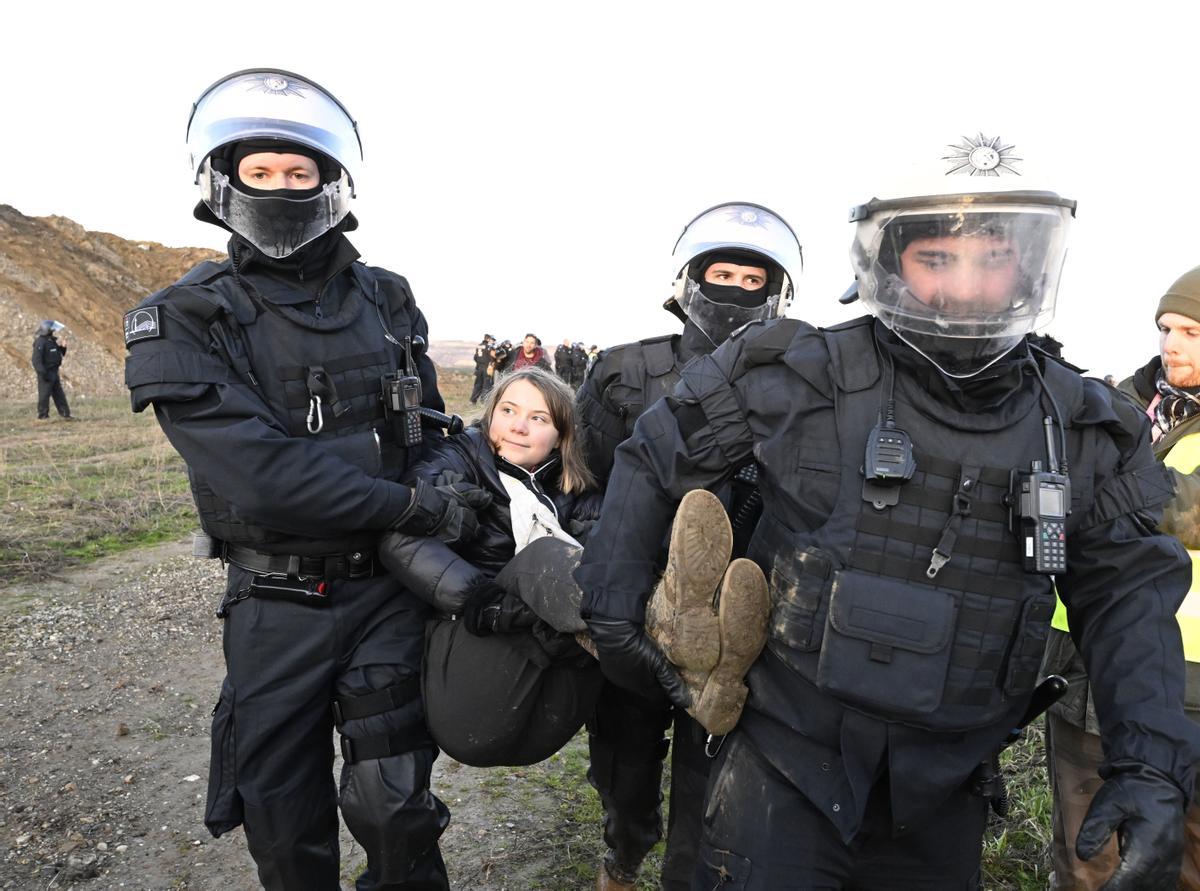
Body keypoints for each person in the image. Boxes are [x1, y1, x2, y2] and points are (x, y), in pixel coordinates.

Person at [575, 135, 1200, 890]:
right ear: (890, 262)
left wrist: (1151, 763)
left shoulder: (1082, 426)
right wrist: (611, 611)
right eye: (937, 259)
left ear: (1031, 266)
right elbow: (651, 455)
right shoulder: (794, 374)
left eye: (991, 258)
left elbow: (1128, 596)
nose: (966, 285)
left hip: (945, 785)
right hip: (784, 764)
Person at [122, 68, 479, 890]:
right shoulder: (183, 316)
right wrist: (411, 503)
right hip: (274, 605)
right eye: (260, 172)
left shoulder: (389, 298)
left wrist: (452, 484)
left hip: (385, 591)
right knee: (284, 824)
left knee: (398, 806)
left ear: (331, 180)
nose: (281, 188)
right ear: (224, 181)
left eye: (298, 171)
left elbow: (426, 422)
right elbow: (261, 474)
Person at [575, 202, 803, 891]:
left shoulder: (797, 387)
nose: (734, 291)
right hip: (634, 603)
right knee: (626, 766)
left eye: (751, 278)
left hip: (735, 624)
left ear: (775, 292)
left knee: (712, 790)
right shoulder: (622, 371)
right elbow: (586, 484)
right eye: (721, 273)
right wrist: (616, 583)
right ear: (689, 280)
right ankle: (623, 849)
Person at [1044, 265, 1200, 890]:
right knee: (1089, 856)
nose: (1172, 343)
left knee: (1187, 857)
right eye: (1166, 328)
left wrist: (1098, 464)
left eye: (1191, 330)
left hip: (1192, 680)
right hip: (1092, 667)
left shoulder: (1110, 418)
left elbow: (1185, 510)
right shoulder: (1126, 405)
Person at [379, 367, 605, 766]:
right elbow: (397, 538)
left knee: (606, 560)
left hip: (546, 716)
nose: (518, 427)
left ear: (561, 438)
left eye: (539, 419)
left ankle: (691, 667)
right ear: (490, 415)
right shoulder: (456, 461)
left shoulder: (578, 492)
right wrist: (483, 602)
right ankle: (657, 632)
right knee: (548, 555)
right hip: (473, 701)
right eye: (508, 411)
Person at [32, 320, 74, 420]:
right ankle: (43, 416)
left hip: (54, 372)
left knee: (59, 394)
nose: (54, 330)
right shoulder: (40, 342)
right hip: (46, 372)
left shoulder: (51, 340)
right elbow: (36, 360)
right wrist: (42, 373)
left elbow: (58, 354)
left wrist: (63, 348)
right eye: (52, 329)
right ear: (47, 330)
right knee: (44, 395)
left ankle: (65, 414)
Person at [470, 333, 496, 404]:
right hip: (487, 368)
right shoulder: (489, 347)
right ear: (488, 339)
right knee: (487, 385)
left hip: (478, 368)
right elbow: (493, 356)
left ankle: (473, 400)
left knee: (477, 385)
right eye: (491, 339)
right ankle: (484, 401)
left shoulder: (479, 346)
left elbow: (475, 357)